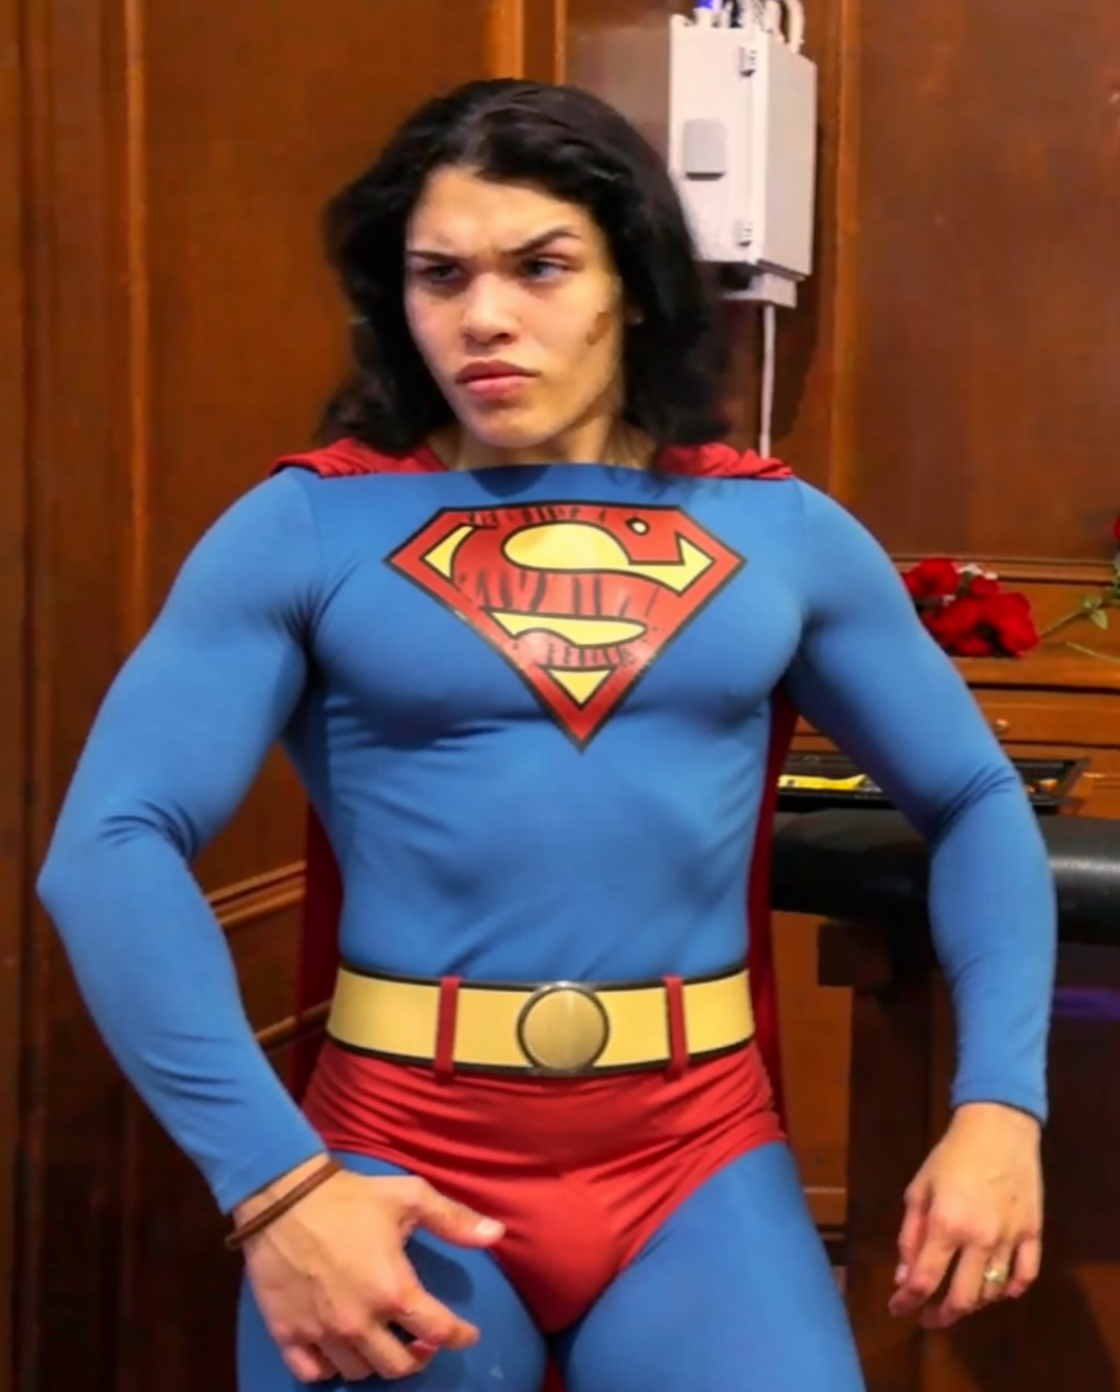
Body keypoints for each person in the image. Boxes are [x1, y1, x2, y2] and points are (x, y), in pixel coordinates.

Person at [37, 78, 1055, 1392]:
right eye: (441, 275)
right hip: (400, 1149)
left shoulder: (779, 529)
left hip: (696, 1156)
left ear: (631, 283)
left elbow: (973, 797)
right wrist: (276, 1187)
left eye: (540, 266)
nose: (484, 317)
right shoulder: (305, 526)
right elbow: (110, 845)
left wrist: (1000, 1106)